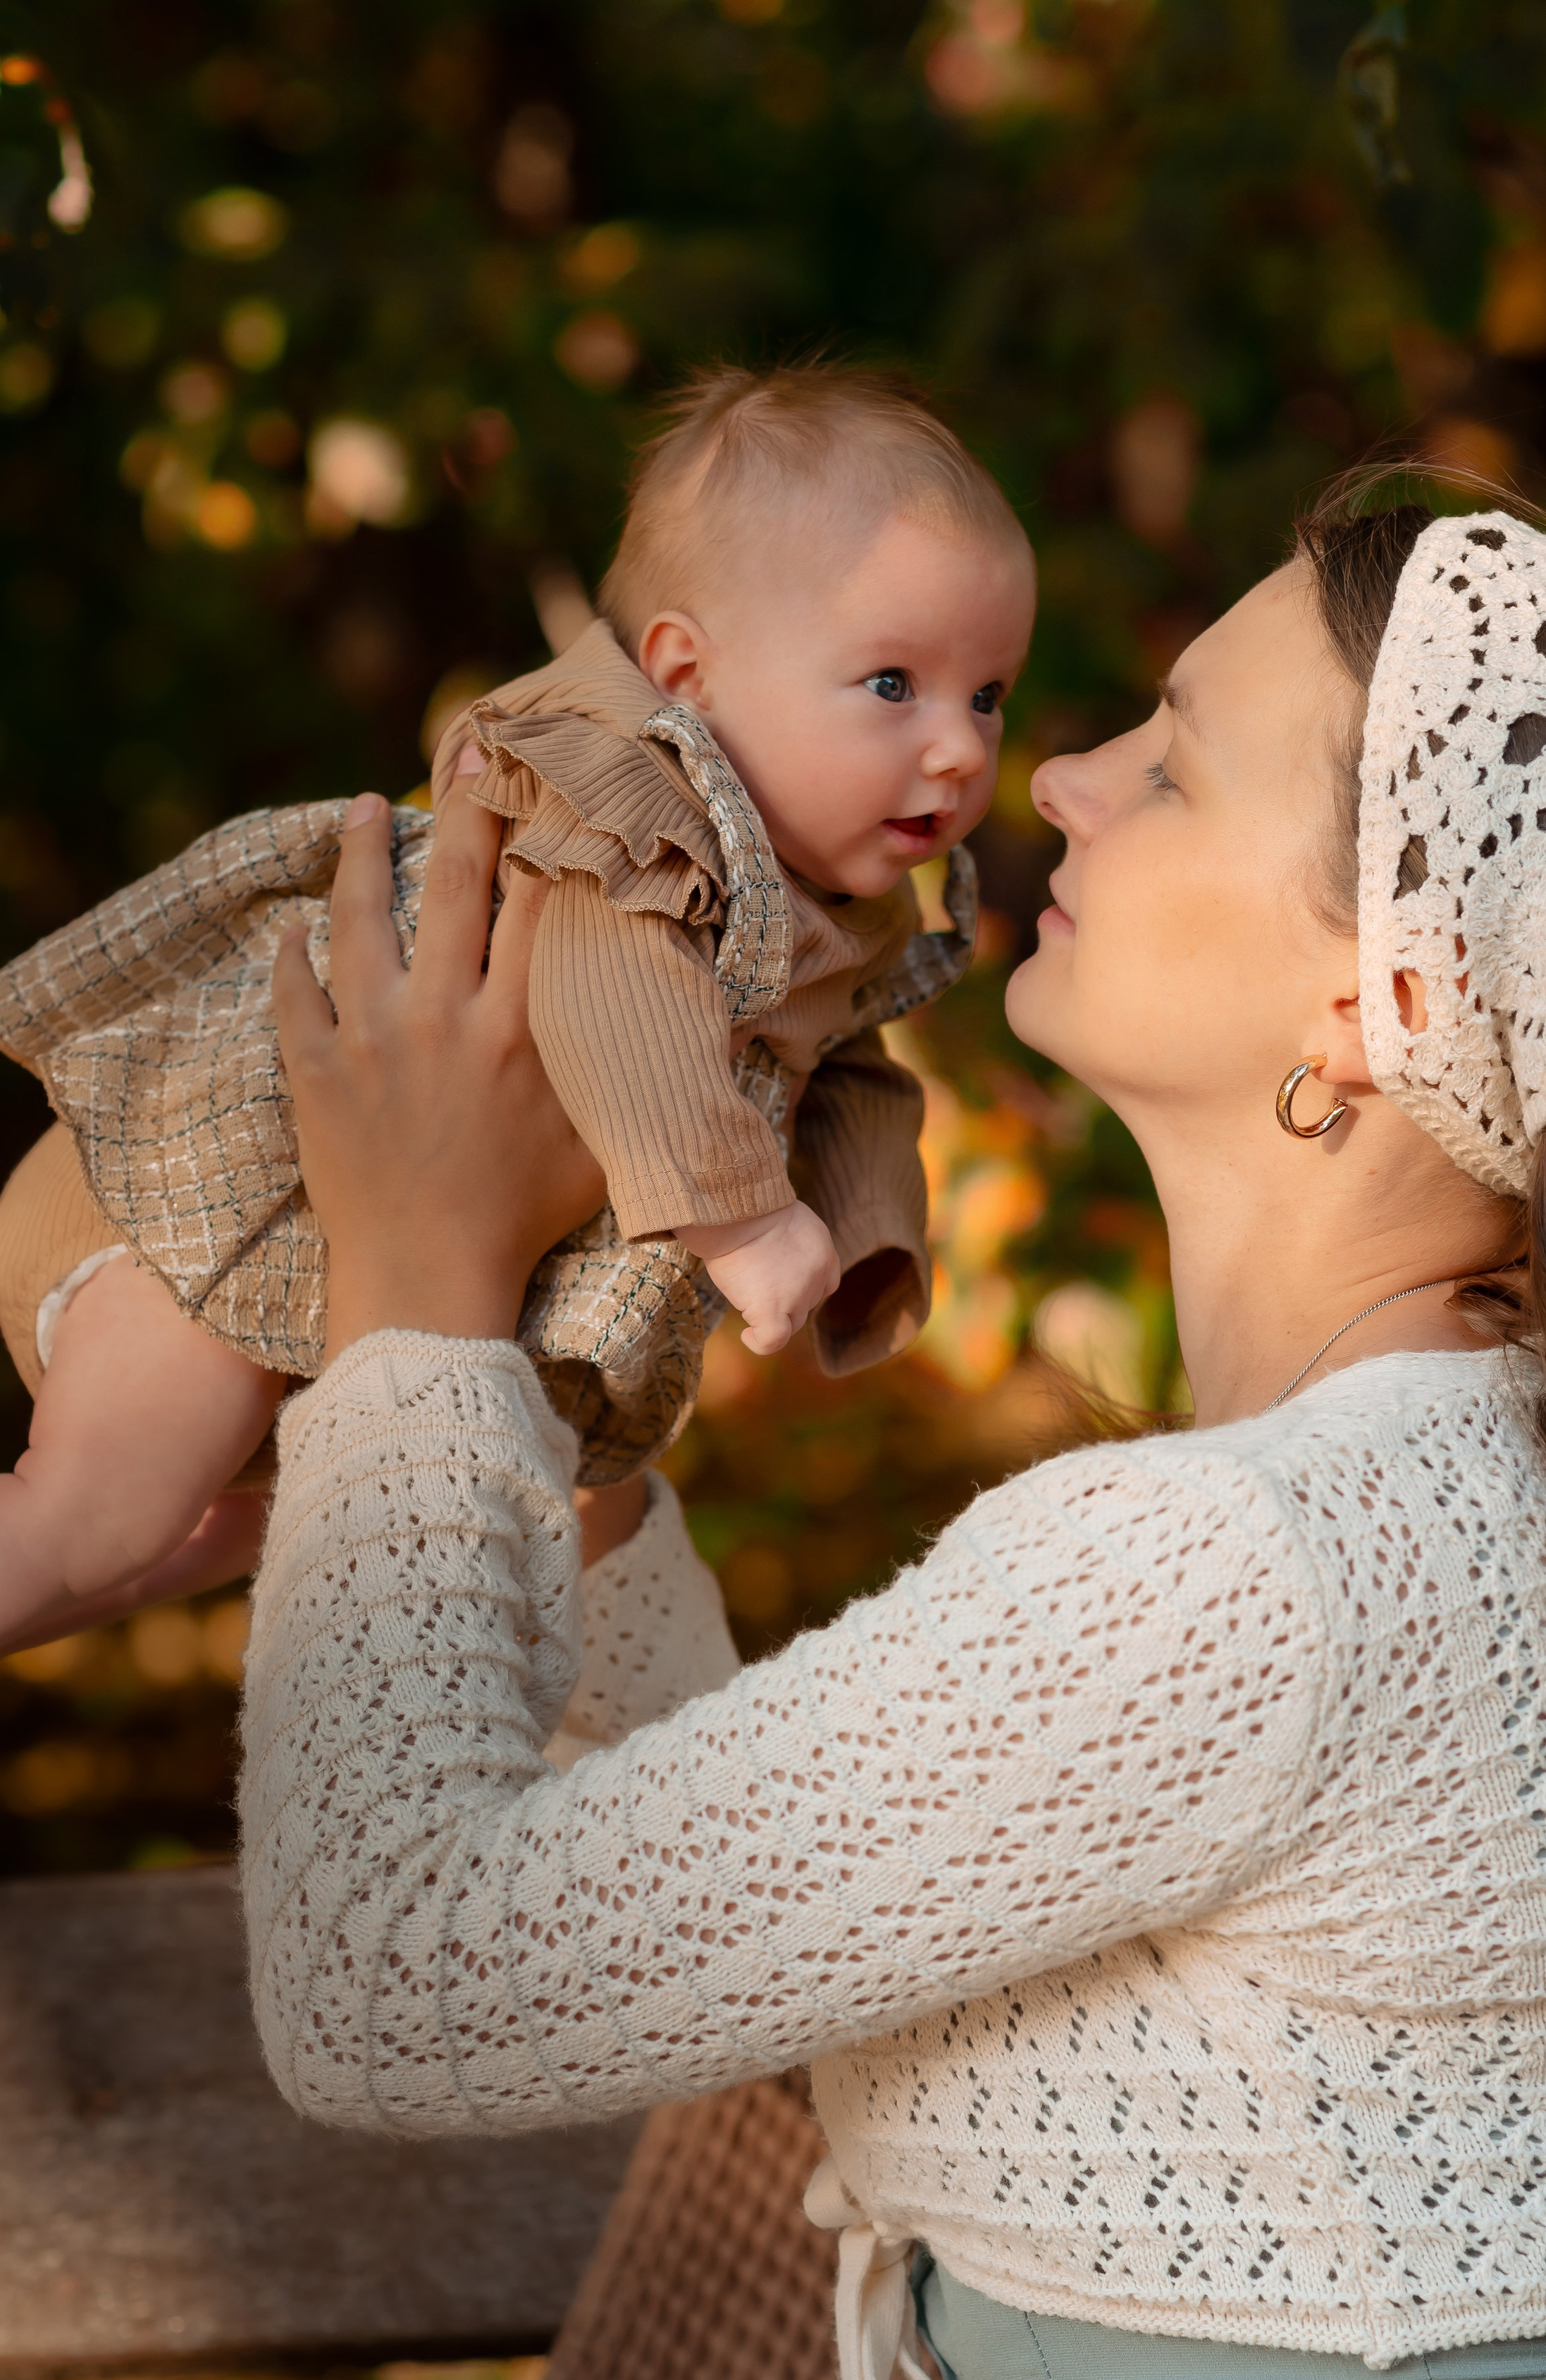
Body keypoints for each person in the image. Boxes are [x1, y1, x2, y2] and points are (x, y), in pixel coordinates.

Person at [237, 479, 1546, 2380]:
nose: (1056, 776)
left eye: (1172, 760)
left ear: (1385, 996)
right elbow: (763, 1894)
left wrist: (409, 1297)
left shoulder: (1243, 1564)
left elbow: (388, 1984)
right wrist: (558, 1423)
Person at [0, 364, 1034, 1651]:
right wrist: (747, 1219)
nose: (960, 747)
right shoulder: (626, 808)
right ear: (687, 676)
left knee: (217, 1525)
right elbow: (617, 997)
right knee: (91, 1516)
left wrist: (870, 1238)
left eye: (987, 695)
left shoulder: (826, 908)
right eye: (895, 683)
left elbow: (850, 1074)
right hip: (201, 1201)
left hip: (364, 1262)